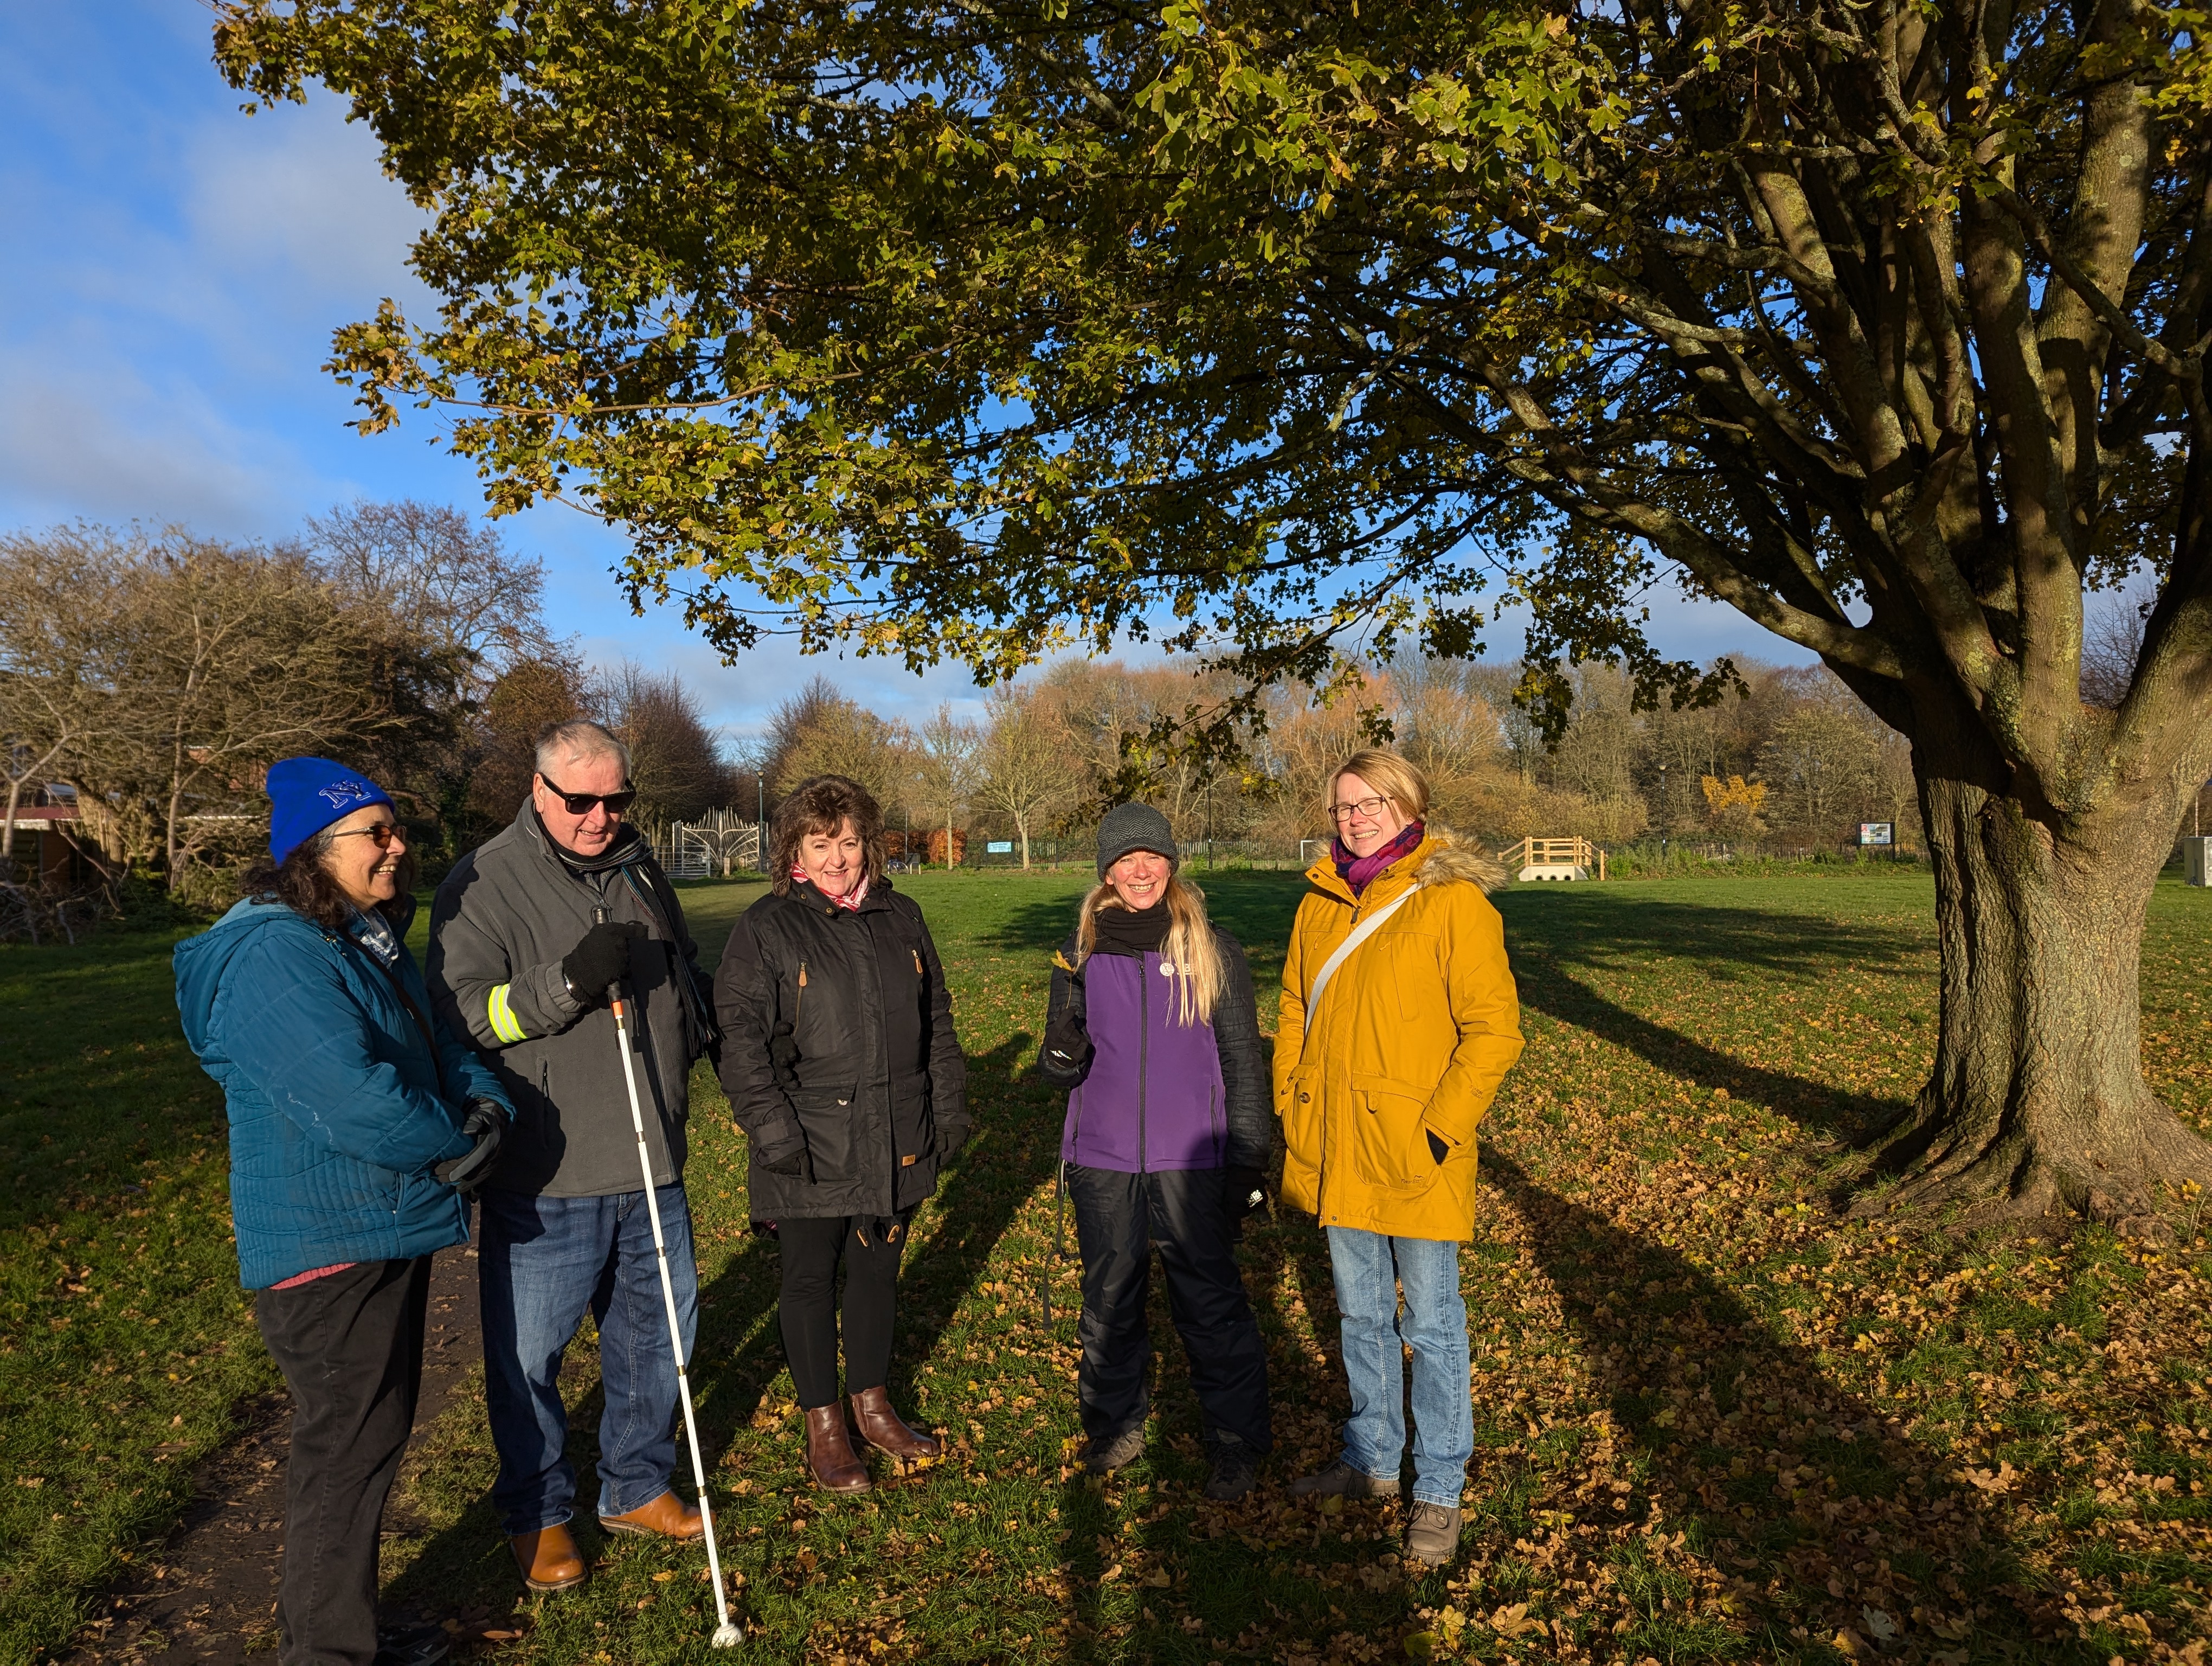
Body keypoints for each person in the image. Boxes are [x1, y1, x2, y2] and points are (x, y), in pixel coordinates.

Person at [175, 757, 511, 1666]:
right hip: (329, 1244)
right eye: (377, 832)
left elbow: (443, 1040)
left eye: (394, 828)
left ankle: (338, 1626)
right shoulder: (274, 954)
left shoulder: (359, 935)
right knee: (347, 1448)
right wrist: (452, 1139)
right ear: (311, 852)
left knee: (365, 1441)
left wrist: (484, 1106)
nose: (399, 845)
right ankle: (326, 1652)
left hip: (377, 1221)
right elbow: (353, 1097)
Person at [426, 720, 721, 1593]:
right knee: (531, 1358)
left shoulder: (637, 863)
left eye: (617, 798)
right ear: (539, 789)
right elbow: (469, 1014)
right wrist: (565, 984)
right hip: (549, 1168)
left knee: (657, 1338)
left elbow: (681, 972)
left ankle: (635, 1486)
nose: (601, 816)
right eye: (581, 800)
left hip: (651, 1154)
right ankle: (539, 1511)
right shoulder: (482, 878)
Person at [1274, 747, 1523, 1566]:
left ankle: (1439, 1488)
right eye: (1345, 805)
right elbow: (1293, 1008)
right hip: (1334, 1147)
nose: (1357, 816)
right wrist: (1291, 1101)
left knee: (1434, 1324)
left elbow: (1494, 1032)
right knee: (1360, 1317)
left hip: (1413, 1153)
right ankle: (1374, 1460)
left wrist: (1438, 1129)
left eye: (1373, 802)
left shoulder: (1451, 902)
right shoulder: (1318, 904)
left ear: (1409, 806)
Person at [713, 775, 968, 1494]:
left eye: (850, 842)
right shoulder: (767, 926)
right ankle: (825, 1426)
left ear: (870, 844)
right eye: (821, 844)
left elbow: (938, 1021)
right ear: (794, 847)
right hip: (808, 1143)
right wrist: (775, 1133)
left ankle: (874, 1404)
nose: (838, 859)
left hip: (898, 1132)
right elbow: (741, 1043)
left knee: (876, 1274)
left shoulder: (902, 916)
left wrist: (948, 1112)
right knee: (807, 1280)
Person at [1037, 803, 1274, 1500]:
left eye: (1153, 857)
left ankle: (1235, 1440)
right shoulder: (1079, 953)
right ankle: (1116, 1425)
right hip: (1103, 1157)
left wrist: (1250, 1159)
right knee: (1110, 1297)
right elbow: (1060, 1064)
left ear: (1171, 864)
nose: (1140, 870)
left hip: (1191, 1158)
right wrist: (1059, 1055)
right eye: (1125, 859)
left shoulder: (1213, 949)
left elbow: (1241, 1060)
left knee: (1210, 1301)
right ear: (1106, 871)